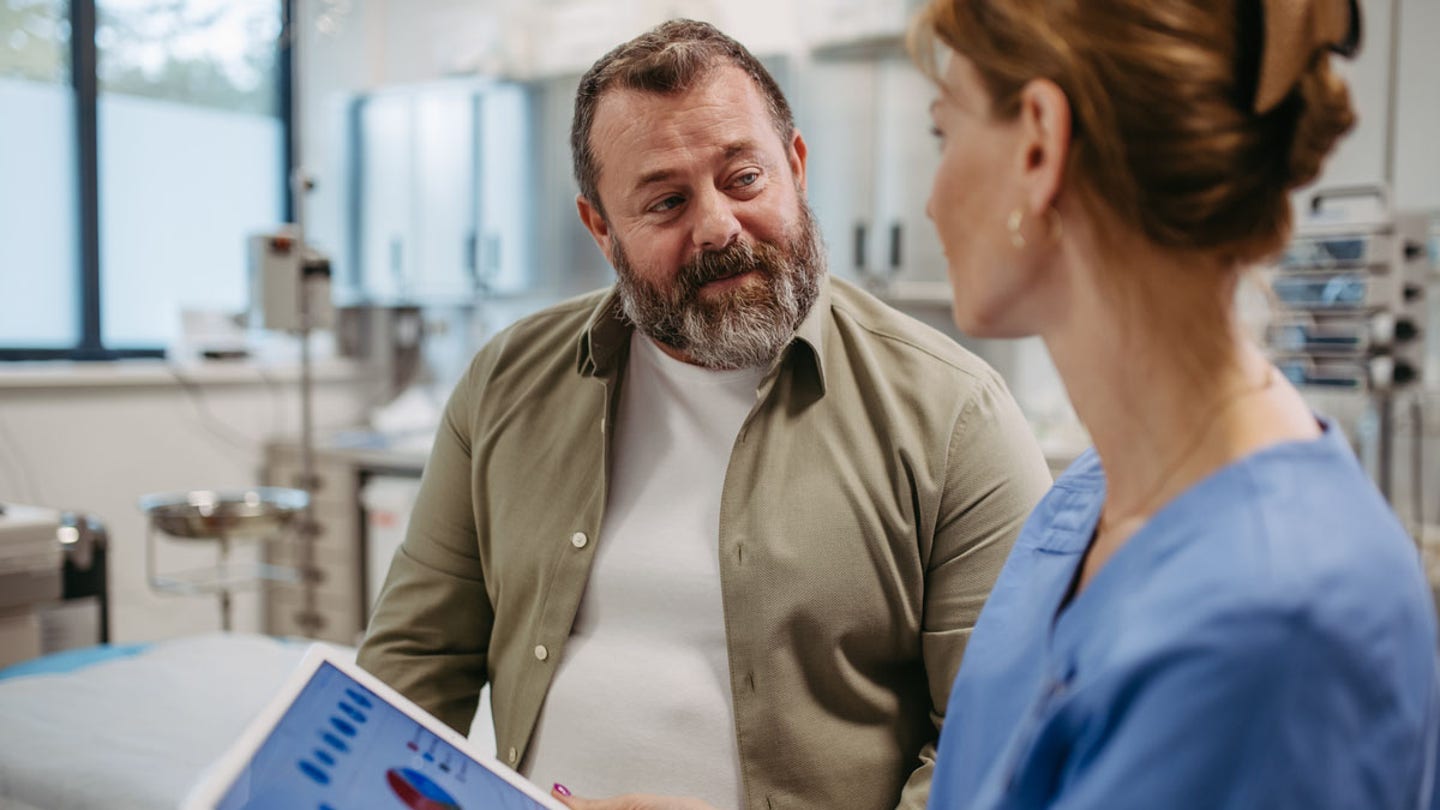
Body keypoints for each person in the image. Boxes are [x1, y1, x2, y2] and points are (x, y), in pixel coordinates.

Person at [553, 1, 1440, 809]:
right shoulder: (1084, 507)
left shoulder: (1280, 621)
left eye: (945, 134)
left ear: (1038, 148)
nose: (933, 201)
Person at [357, 19, 1052, 810]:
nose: (717, 226)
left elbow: (997, 750)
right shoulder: (506, 383)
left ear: (794, 165)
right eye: (665, 202)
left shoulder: (955, 415)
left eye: (744, 178)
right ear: (602, 231)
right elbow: (414, 663)